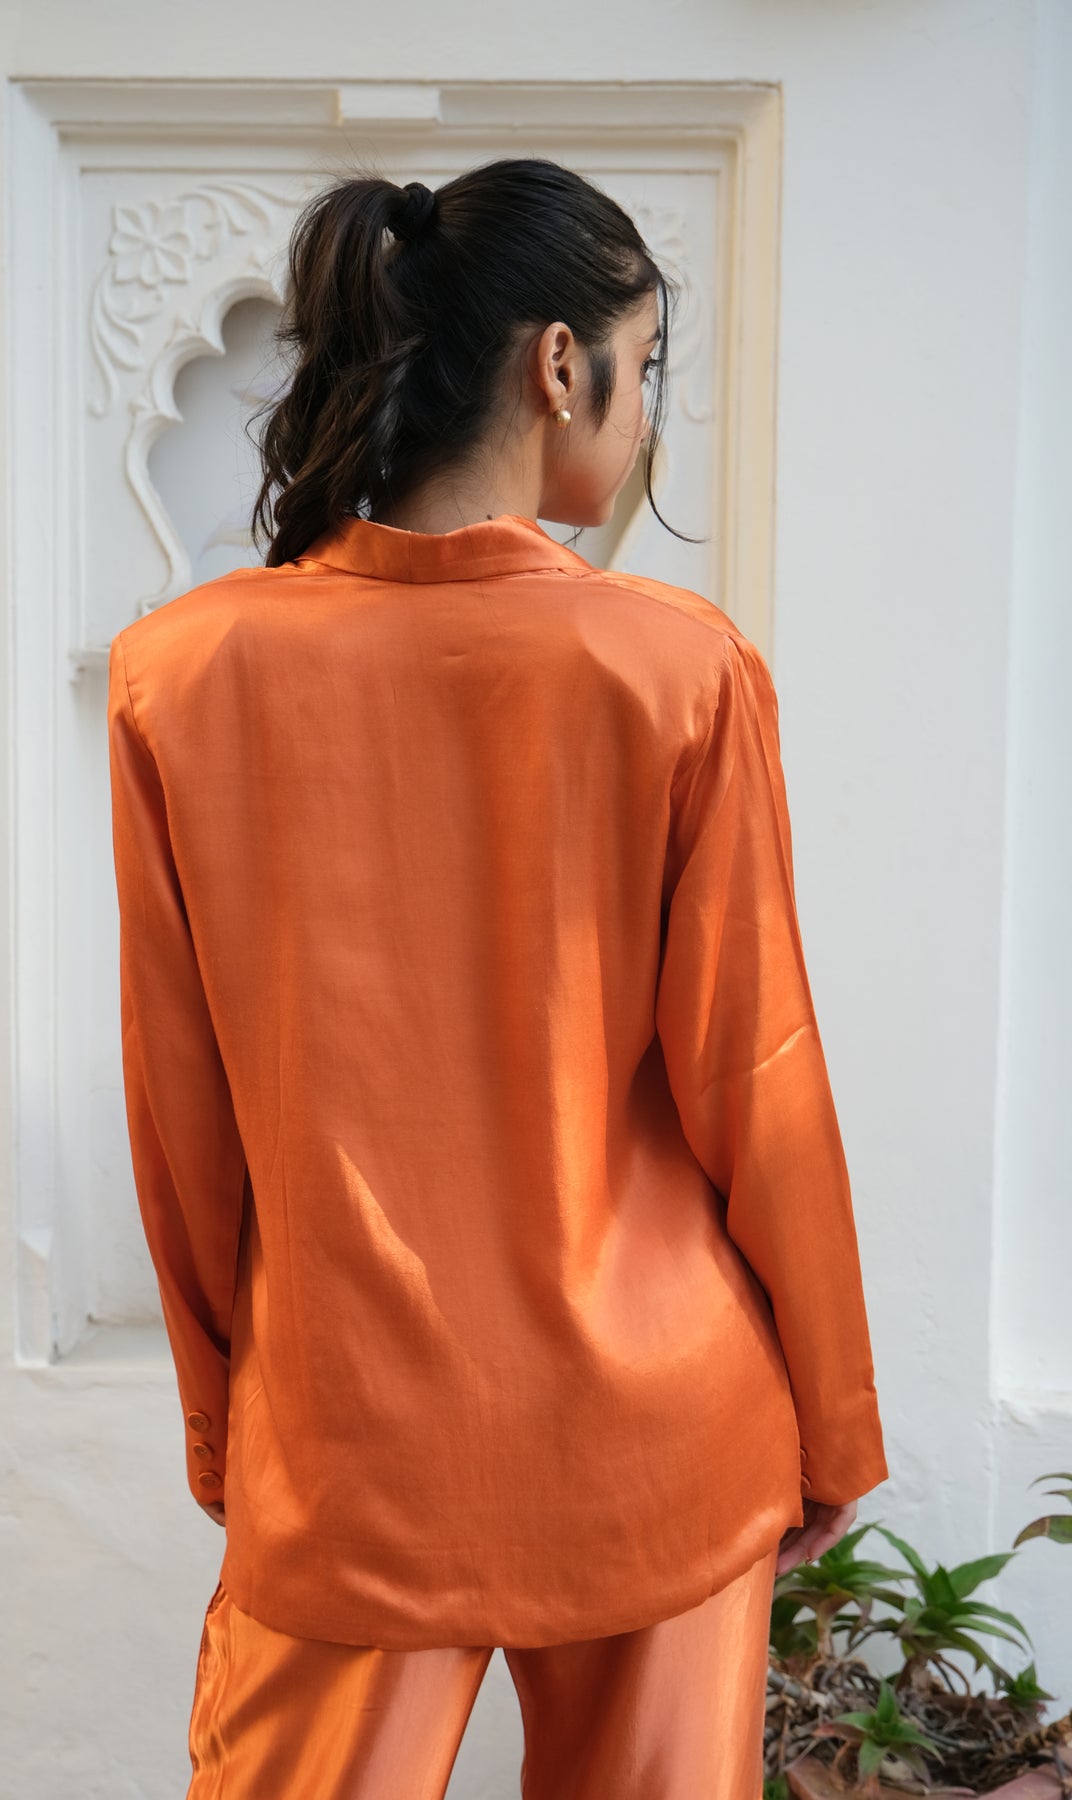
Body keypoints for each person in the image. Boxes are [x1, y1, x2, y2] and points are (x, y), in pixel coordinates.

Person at [106, 157, 889, 1800]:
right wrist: (831, 1418)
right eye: (645, 364)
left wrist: (228, 1423)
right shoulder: (679, 669)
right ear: (557, 365)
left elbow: (184, 1115)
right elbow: (758, 1077)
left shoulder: (184, 676)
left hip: (351, 1442)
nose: (645, 411)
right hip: (662, 1436)